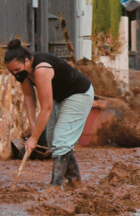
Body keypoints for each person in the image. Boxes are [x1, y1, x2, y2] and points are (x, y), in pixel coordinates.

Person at [4, 39, 94, 187]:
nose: (15, 74)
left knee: (61, 140)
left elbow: (46, 108)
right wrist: (32, 125)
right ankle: (74, 180)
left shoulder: (42, 69)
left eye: (17, 70)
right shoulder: (24, 72)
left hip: (79, 94)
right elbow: (28, 96)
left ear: (27, 61)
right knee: (53, 141)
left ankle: (55, 186)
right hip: (60, 97)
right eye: (11, 72)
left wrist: (34, 139)